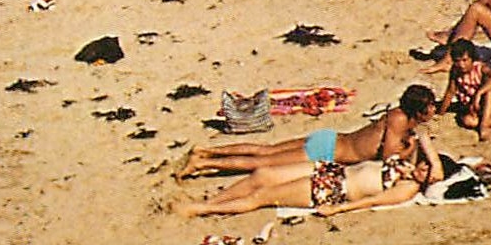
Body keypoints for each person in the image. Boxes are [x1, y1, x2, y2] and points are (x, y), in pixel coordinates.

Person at [179, 86, 439, 176]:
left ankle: (206, 151)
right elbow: (388, 157)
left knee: (265, 151)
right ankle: (201, 164)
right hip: (326, 150)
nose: (433, 110)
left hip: (330, 139)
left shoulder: (400, 117)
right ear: (418, 110)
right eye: (429, 107)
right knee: (262, 162)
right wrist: (411, 147)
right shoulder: (399, 121)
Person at [174, 144, 442, 220]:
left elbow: (372, 200)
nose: (422, 170)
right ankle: (211, 202)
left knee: (262, 197)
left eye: (428, 173)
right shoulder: (408, 166)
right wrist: (428, 163)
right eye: (424, 166)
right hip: (331, 171)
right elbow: (426, 139)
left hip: (333, 189)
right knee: (262, 175)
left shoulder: (407, 189)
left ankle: (200, 209)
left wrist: (336, 210)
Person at [440, 40, 491, 140]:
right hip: (479, 108)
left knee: (490, 85)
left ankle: (484, 126)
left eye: (465, 60)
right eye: (457, 61)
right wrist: (441, 111)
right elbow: (450, 92)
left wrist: (479, 93)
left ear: (472, 59)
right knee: (468, 121)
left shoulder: (480, 68)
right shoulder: (455, 71)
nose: (461, 65)